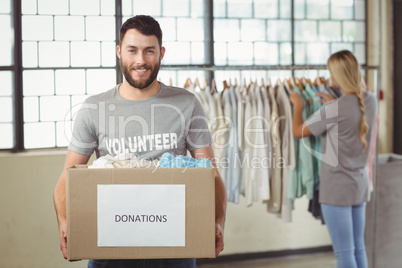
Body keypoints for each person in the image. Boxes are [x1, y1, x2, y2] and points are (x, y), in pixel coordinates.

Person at [53, 15, 227, 268]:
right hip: (110, 246)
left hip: (175, 246)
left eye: (149, 51)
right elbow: (67, 178)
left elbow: (210, 174)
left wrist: (218, 222)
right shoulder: (95, 108)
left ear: (161, 53)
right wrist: (65, 223)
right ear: (119, 52)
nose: (140, 60)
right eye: (132, 50)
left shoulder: (187, 103)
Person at [289, 50, 377, 268]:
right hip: (359, 186)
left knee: (344, 253)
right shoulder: (371, 100)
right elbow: (350, 110)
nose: (329, 78)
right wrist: (334, 102)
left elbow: (298, 131)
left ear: (339, 75)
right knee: (358, 249)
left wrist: (298, 105)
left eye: (331, 73)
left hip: (336, 189)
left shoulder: (333, 109)